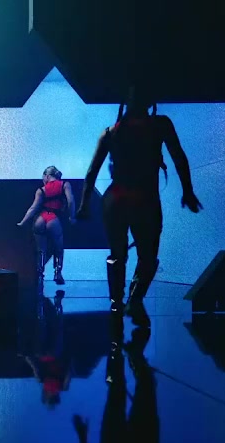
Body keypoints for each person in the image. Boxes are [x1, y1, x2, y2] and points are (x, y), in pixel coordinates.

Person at [76, 85, 202, 324]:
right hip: (145, 199)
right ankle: (134, 300)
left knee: (118, 254)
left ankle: (117, 303)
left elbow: (92, 171)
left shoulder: (110, 133)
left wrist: (84, 205)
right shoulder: (160, 125)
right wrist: (187, 190)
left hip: (116, 199)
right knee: (148, 255)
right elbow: (178, 156)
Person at [18, 166, 76, 285]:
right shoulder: (65, 185)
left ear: (47, 176)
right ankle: (57, 273)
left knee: (41, 249)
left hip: (40, 219)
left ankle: (40, 274)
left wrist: (22, 222)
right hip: (54, 219)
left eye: (43, 177)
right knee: (58, 248)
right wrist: (72, 216)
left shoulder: (41, 190)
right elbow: (70, 201)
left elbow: (33, 208)